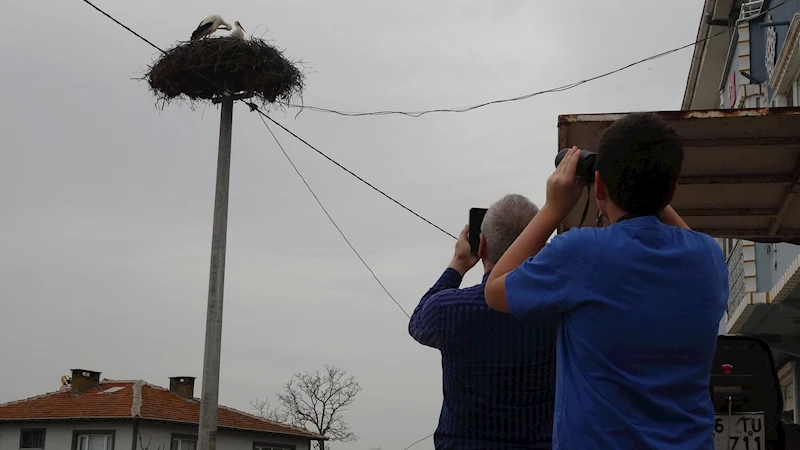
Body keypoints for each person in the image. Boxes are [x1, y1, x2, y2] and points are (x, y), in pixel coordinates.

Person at [484, 112, 728, 450]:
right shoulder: (709, 258)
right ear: (672, 188)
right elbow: (674, 223)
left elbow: (495, 290)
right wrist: (651, 188)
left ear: (599, 185)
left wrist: (554, 207)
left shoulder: (581, 252)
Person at [409, 194, 558, 450]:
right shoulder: (559, 314)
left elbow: (417, 322)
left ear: (482, 245)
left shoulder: (449, 310)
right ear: (539, 246)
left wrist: (457, 265)